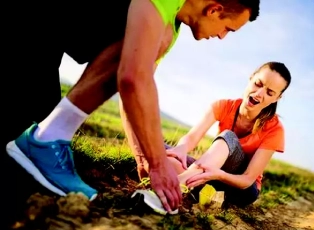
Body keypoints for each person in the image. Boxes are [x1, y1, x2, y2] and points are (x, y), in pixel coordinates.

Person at [4, 0, 261, 215]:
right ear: (214, 9)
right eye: (228, 29)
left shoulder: (169, 26)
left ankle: (46, 139)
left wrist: (141, 156)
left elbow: (135, 87)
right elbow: (133, 78)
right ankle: (46, 140)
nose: (221, 36)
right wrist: (158, 164)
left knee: (33, 130)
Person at [130, 61, 291, 214]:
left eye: (270, 92)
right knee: (158, 149)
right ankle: (194, 186)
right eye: (258, 83)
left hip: (241, 189)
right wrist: (181, 148)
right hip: (209, 174)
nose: (259, 93)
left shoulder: (275, 129)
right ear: (251, 77)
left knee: (228, 136)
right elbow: (192, 137)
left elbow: (247, 179)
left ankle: (173, 190)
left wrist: (217, 174)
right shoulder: (223, 106)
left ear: (277, 98)